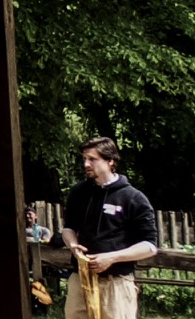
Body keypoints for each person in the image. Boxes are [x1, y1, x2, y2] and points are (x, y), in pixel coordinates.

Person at [61, 136, 159, 319]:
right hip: (80, 279)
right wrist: (73, 245)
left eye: (92, 159)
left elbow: (150, 246)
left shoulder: (133, 198)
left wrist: (112, 257)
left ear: (111, 161)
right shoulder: (78, 192)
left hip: (116, 283)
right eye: (84, 159)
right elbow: (68, 228)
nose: (86, 164)